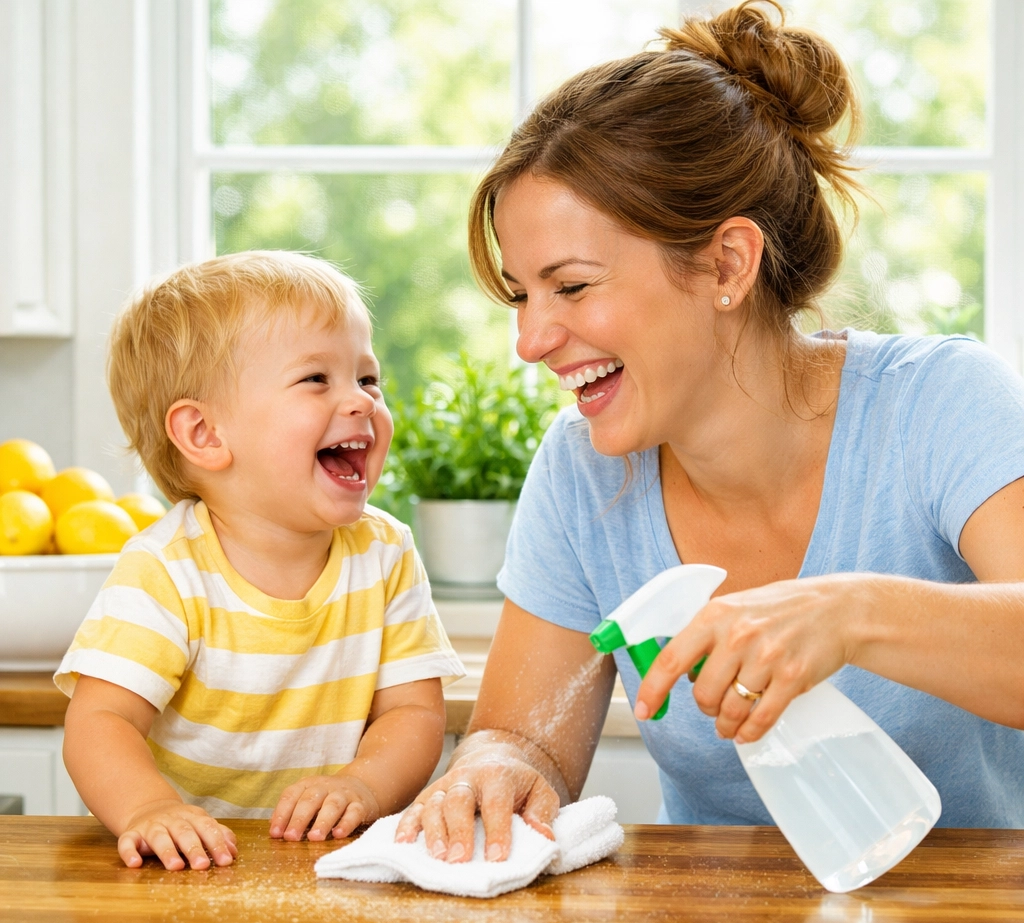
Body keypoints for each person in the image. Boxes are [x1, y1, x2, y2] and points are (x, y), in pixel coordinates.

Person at [396, 0, 1024, 865]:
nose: (531, 341)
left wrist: (849, 612)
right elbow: (524, 737)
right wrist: (497, 764)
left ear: (727, 264)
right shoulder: (584, 475)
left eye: (571, 287)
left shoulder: (939, 405)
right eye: (521, 295)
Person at [58, 251, 464, 870]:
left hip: (333, 863)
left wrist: (364, 786)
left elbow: (413, 712)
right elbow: (99, 722)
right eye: (316, 380)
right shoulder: (166, 569)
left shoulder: (385, 553)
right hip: (191, 871)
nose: (360, 402)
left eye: (367, 378)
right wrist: (147, 810)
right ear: (204, 434)